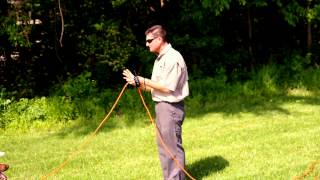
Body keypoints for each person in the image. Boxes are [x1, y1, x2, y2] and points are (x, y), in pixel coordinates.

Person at [123, 25, 189, 180]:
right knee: (164, 148)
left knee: (172, 149)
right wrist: (137, 82)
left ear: (159, 39)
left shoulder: (173, 58)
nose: (147, 44)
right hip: (162, 108)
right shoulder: (160, 59)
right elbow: (157, 87)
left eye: (149, 40)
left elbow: (167, 88)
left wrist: (143, 80)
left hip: (170, 108)